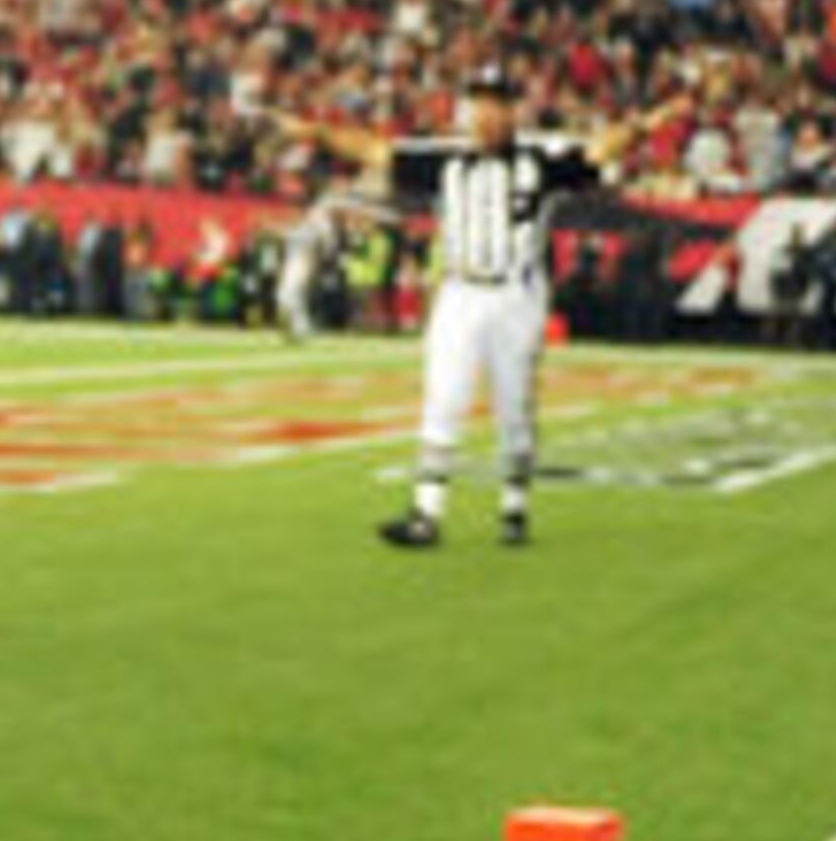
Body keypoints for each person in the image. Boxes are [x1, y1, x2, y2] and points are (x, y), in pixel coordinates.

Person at [284, 62, 675, 549]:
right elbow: (376, 150)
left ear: (513, 112)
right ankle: (426, 513)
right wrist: (319, 132)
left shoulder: (541, 161)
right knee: (443, 397)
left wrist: (645, 125)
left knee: (514, 404)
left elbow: (599, 150)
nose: (488, 115)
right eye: (480, 104)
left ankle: (514, 504)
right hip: (461, 291)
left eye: (497, 105)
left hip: (517, 293)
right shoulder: (445, 161)